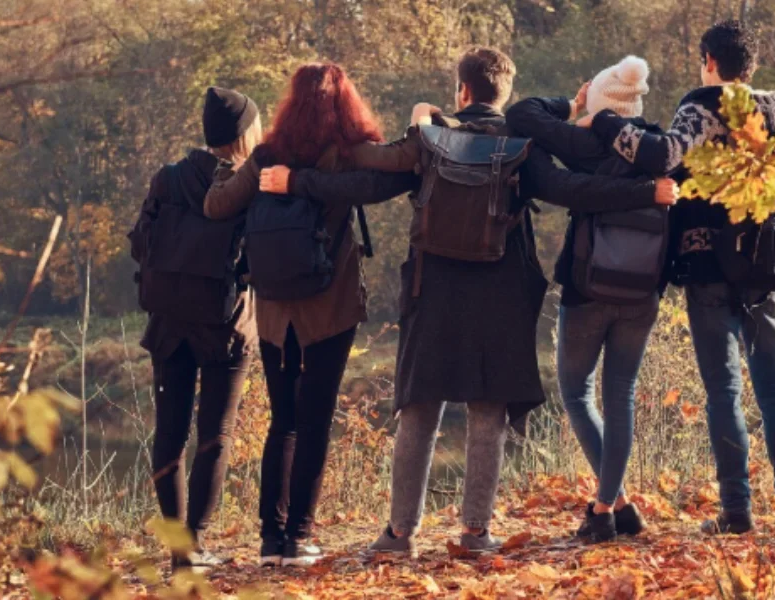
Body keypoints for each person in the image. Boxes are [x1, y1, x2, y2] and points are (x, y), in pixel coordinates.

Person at [258, 47, 678, 556]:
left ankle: (398, 533)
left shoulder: (433, 141)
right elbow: (577, 190)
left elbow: (366, 183)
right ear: (502, 93)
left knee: (419, 409)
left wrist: (300, 176)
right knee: (487, 412)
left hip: (432, 290)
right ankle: (476, 533)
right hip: (498, 294)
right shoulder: (522, 146)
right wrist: (644, 192)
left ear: (462, 91)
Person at [582, 20, 775, 534]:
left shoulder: (702, 105)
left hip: (710, 265)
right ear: (751, 65)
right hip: (769, 268)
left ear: (708, 59)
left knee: (724, 392)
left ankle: (736, 513)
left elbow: (663, 156)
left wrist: (602, 122)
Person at [202, 63, 416, 567]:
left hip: (275, 310)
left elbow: (216, 208)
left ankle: (271, 541)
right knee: (314, 420)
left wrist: (250, 171)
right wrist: (421, 126)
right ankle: (298, 537)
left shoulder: (265, 157)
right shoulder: (347, 155)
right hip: (330, 307)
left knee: (284, 422)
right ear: (345, 104)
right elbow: (399, 174)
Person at [506, 55, 675, 542]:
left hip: (586, 289)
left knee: (577, 394)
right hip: (642, 292)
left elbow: (521, 114)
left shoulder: (587, 143)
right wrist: (645, 193)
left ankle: (606, 508)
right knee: (618, 394)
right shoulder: (661, 151)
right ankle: (613, 503)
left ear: (603, 106)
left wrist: (573, 104)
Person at [128, 87, 261, 571]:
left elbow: (140, 244)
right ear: (244, 134)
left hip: (167, 324)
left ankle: (178, 551)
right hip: (225, 326)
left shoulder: (167, 178)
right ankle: (196, 543)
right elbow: (258, 253)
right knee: (215, 435)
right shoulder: (246, 184)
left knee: (169, 432)